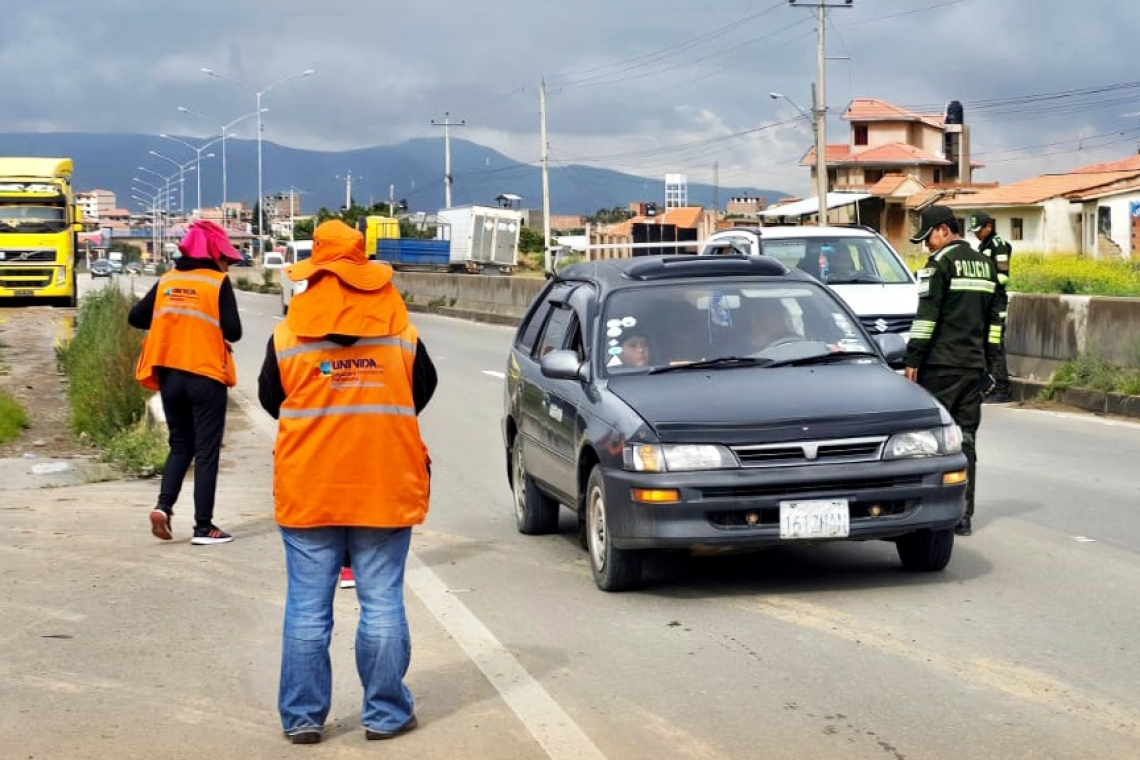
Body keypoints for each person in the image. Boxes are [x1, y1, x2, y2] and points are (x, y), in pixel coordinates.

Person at [257, 219, 438, 745]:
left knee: (307, 606)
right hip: (384, 482)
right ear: (364, 269)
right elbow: (419, 391)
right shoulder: (401, 331)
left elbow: (274, 400)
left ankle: (303, 717)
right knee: (381, 600)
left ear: (313, 271)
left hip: (309, 485)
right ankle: (384, 714)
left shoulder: (288, 334)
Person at [130, 219, 243, 545]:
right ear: (213, 254)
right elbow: (234, 331)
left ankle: (163, 507)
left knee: (180, 444)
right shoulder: (216, 282)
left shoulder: (167, 280)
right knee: (206, 452)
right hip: (205, 376)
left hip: (170, 377)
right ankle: (203, 527)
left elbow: (137, 317)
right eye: (226, 258)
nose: (228, 266)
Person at [905, 205, 1003, 537]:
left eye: (928, 238)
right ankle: (964, 516)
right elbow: (995, 324)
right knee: (967, 441)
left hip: (941, 367)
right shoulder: (988, 267)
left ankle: (932, 516)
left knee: (933, 443)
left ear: (944, 231)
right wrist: (992, 367)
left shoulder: (941, 264)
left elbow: (926, 320)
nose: (927, 246)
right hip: (974, 368)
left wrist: (912, 360)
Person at [970, 212, 1014, 403]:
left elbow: (1003, 276)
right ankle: (989, 386)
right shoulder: (983, 246)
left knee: (995, 344)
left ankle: (1002, 388)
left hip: (996, 304)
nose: (976, 234)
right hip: (986, 304)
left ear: (989, 226)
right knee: (985, 344)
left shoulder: (998, 245)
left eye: (979, 230)